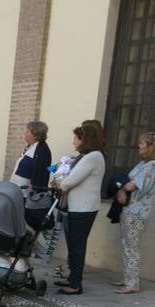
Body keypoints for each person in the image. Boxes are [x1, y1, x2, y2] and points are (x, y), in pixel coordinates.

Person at [53, 120, 106, 295]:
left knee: (77, 245)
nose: (74, 142)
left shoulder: (93, 157)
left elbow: (70, 181)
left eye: (76, 138)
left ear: (85, 139)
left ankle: (75, 284)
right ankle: (72, 277)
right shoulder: (89, 156)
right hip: (78, 207)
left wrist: (59, 182)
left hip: (83, 208)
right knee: (74, 244)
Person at [113, 131, 155, 294]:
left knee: (132, 246)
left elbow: (133, 185)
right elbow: (127, 182)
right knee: (127, 245)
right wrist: (123, 188)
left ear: (152, 146)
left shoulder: (154, 166)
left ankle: (133, 282)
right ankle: (128, 277)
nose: (139, 146)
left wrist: (123, 188)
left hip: (137, 212)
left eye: (142, 143)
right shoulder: (143, 164)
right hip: (130, 209)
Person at [9, 121, 52, 192]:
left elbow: (41, 173)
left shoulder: (42, 150)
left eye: (28, 132)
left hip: (27, 194)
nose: (25, 134)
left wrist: (33, 193)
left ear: (35, 135)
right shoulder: (31, 146)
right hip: (17, 190)